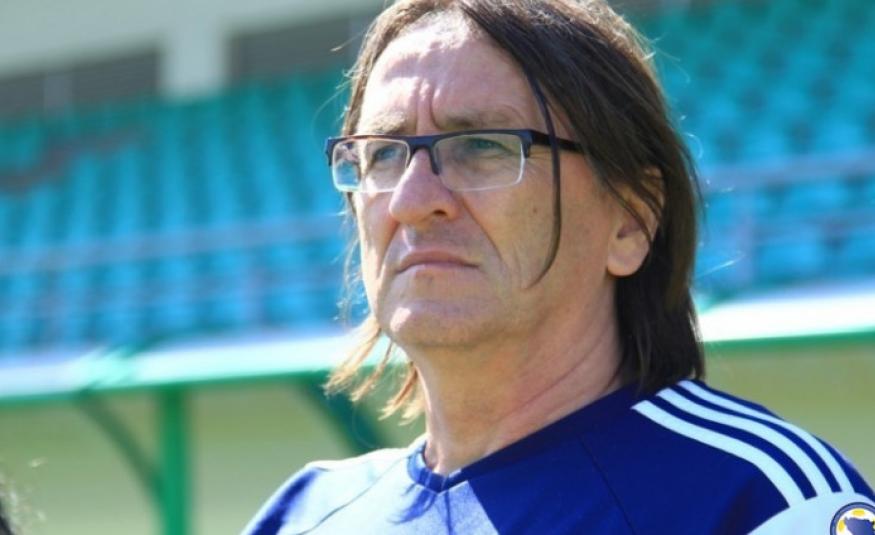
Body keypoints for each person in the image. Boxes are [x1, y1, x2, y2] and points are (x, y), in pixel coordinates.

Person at [244, 0, 875, 533]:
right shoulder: (304, 515)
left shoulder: (764, 502)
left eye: (482, 146)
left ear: (630, 220)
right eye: (383, 154)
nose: (412, 200)